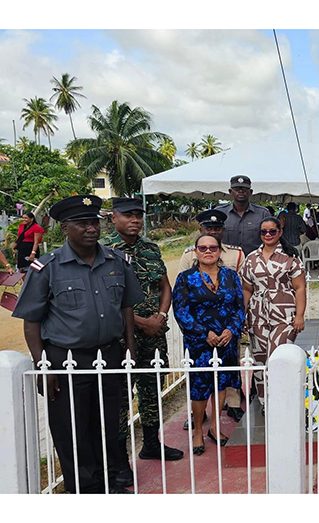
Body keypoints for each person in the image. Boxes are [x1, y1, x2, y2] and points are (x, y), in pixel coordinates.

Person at [12, 195, 144, 493]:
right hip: (65, 359)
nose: (91, 228)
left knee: (109, 426)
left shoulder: (117, 262)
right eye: (82, 223)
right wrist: (42, 365)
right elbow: (31, 321)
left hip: (109, 356)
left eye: (94, 222)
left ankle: (110, 483)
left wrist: (130, 350)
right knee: (72, 430)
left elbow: (126, 309)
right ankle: (83, 489)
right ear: (65, 228)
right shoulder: (46, 268)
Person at [102, 197, 184, 487]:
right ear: (114, 218)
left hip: (154, 335)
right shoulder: (103, 252)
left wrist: (161, 316)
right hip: (122, 340)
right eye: (128, 215)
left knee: (153, 389)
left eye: (138, 215)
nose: (134, 220)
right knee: (122, 398)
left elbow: (164, 286)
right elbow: (105, 300)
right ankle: (120, 462)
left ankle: (151, 443)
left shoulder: (150, 249)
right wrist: (142, 322)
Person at [172, 234, 246, 455]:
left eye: (213, 247)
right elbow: (181, 310)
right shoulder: (186, 278)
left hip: (225, 340)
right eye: (202, 247)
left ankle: (215, 427)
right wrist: (205, 333)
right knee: (200, 387)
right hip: (200, 342)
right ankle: (197, 432)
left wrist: (231, 330)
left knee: (221, 383)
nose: (208, 251)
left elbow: (239, 307)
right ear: (195, 251)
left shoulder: (231, 277)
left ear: (219, 251)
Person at [242, 217, 306, 407]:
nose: (268, 235)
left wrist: (300, 316)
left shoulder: (290, 257)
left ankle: (282, 399)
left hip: (284, 314)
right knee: (260, 359)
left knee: (278, 356)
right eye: (264, 232)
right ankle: (265, 402)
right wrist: (243, 315)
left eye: (272, 231)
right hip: (257, 315)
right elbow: (247, 289)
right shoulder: (251, 258)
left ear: (280, 232)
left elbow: (300, 287)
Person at [215, 175, 272, 256]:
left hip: (255, 261)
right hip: (226, 261)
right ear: (230, 192)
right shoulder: (219, 212)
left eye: (244, 189)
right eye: (237, 189)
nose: (241, 191)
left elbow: (272, 238)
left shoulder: (263, 213)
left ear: (251, 192)